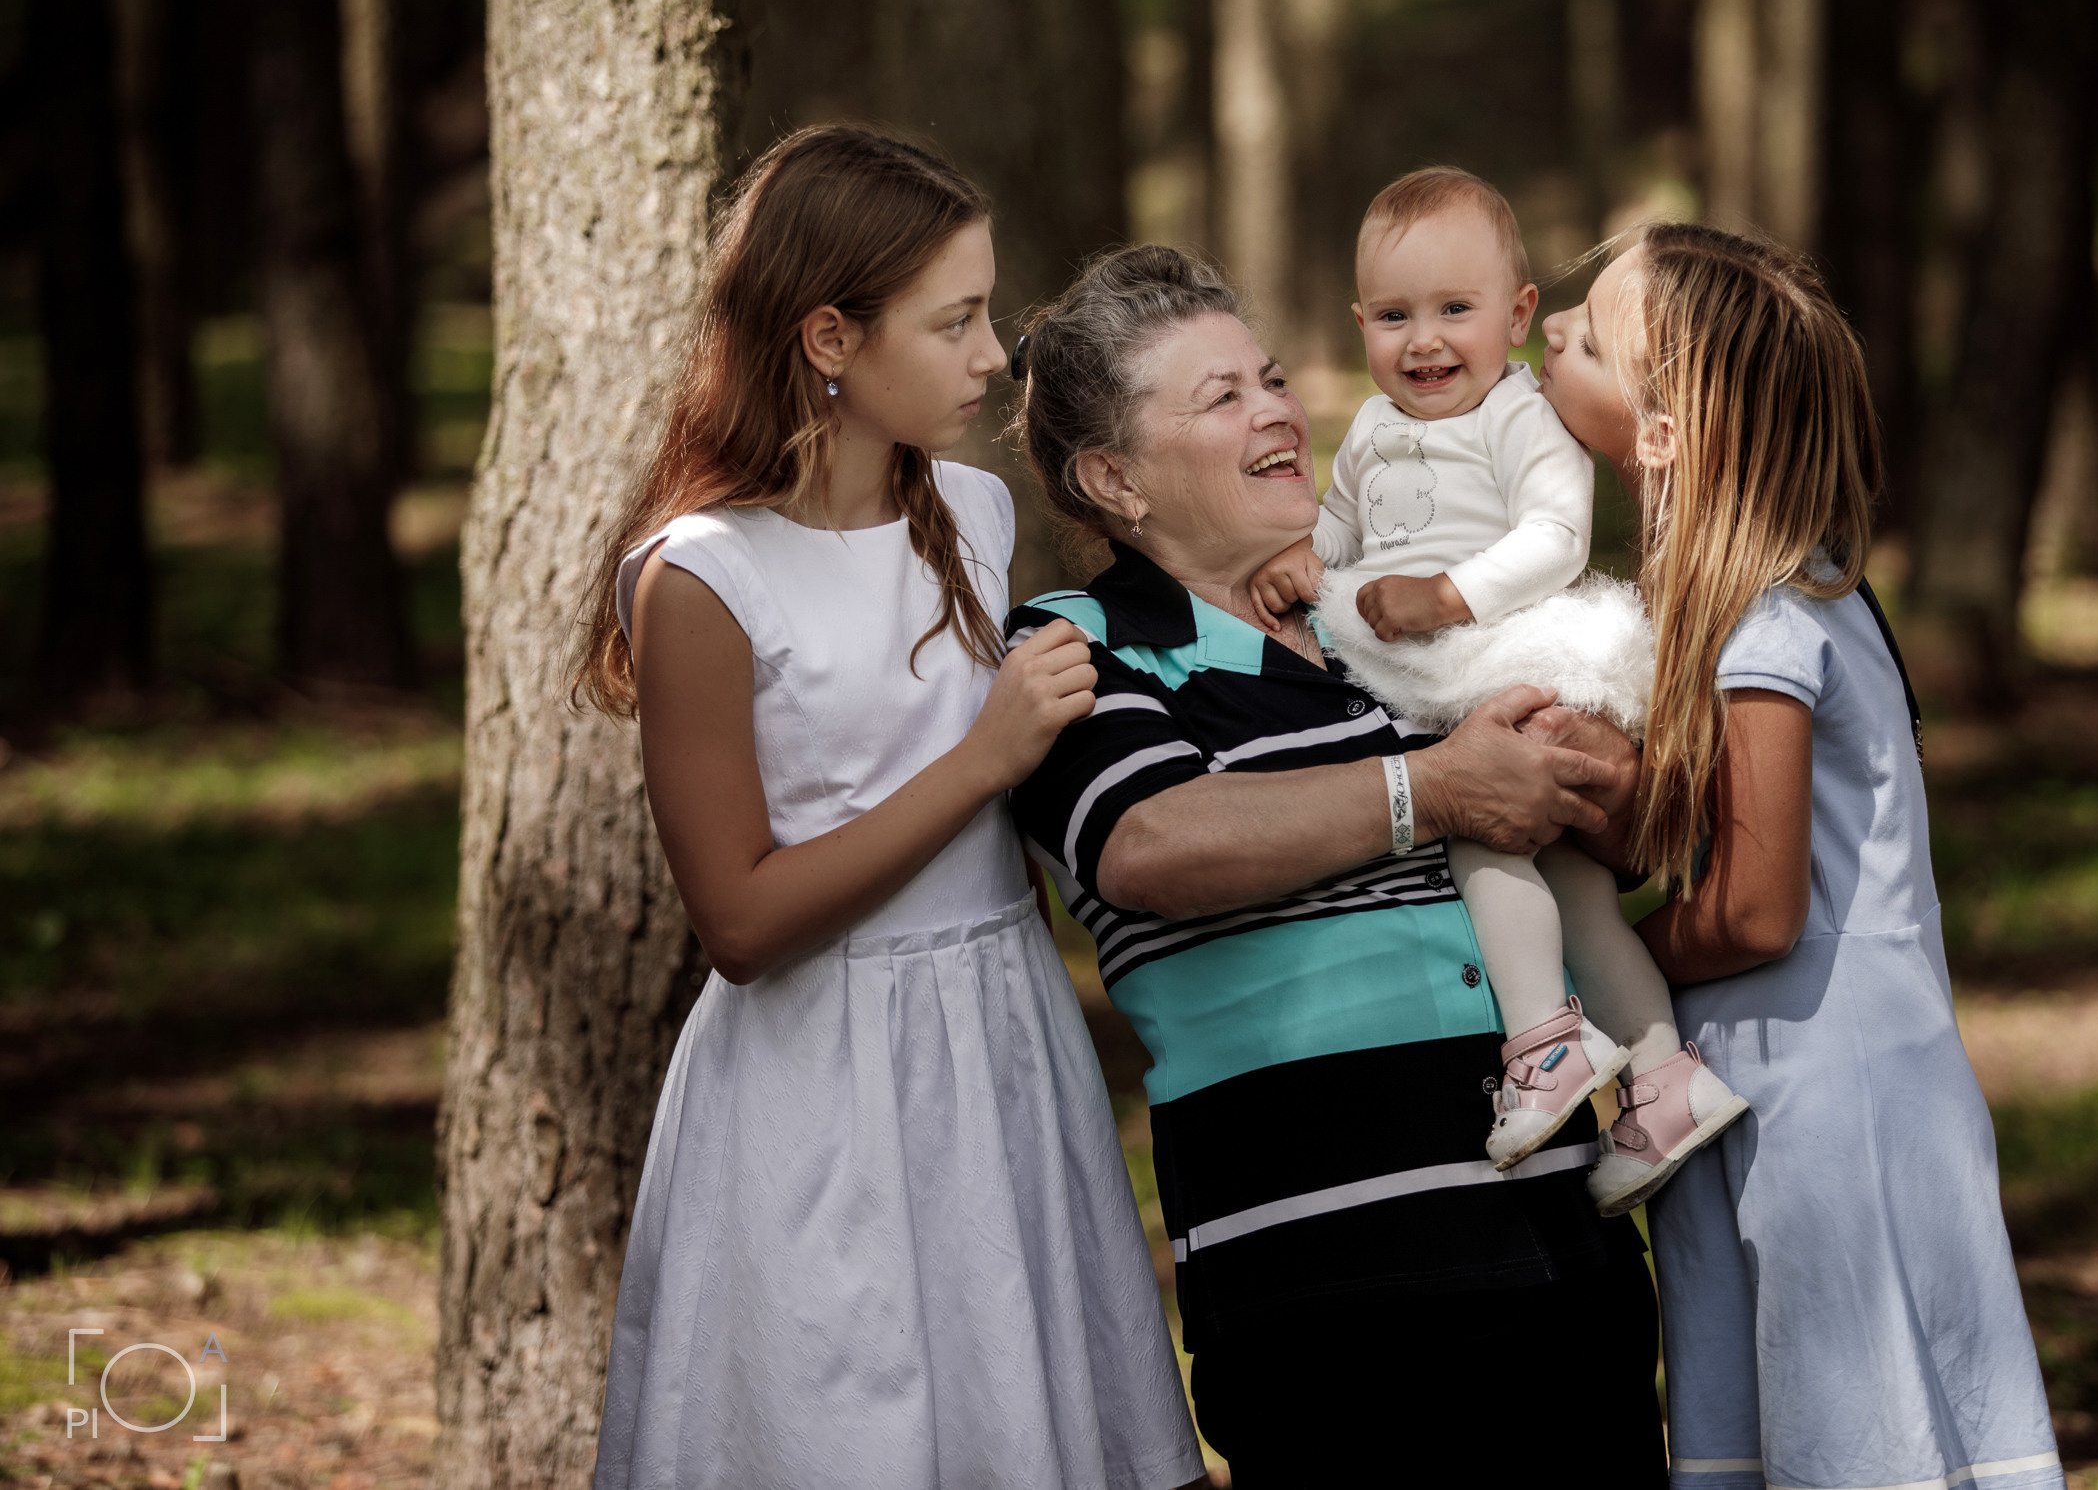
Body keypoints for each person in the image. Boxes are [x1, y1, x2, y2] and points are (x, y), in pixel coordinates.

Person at [573, 127, 1203, 1490]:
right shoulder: (705, 576)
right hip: (821, 1083)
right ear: (829, 337)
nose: (993, 357)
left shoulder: (970, 512)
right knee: (849, 1420)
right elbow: (739, 919)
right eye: (956, 321)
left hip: (999, 1044)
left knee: (1017, 1408)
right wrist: (979, 760)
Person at [1004, 245, 1666, 1484]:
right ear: (1113, 478)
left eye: (1269, 378)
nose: (1276, 410)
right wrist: (1431, 788)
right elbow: (1148, 844)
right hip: (1331, 1285)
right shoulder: (1080, 644)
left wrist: (1603, 777)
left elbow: (1617, 830)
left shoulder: (1376, 614)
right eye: (1222, 398)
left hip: (1559, 1250)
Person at [1537, 222, 2065, 1490]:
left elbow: (1758, 909)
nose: (1548, 330)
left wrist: (1610, 974)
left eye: (1586, 335)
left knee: (1856, 1439)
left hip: (1829, 1106)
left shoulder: (1764, 625)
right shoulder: (1772, 601)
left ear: (1662, 433)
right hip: (1760, 1084)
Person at [1249, 167, 1745, 1210]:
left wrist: (1446, 593)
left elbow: (1558, 537)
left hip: (1510, 648)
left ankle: (1545, 1048)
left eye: (1453, 310)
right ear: (1359, 325)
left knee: (1480, 828)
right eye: (1394, 316)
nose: (1423, 340)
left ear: (1517, 315)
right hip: (1439, 655)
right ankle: (1663, 1078)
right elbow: (1342, 526)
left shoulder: (1520, 414)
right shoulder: (1376, 429)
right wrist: (1307, 557)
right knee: (1574, 891)